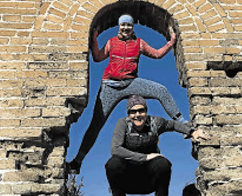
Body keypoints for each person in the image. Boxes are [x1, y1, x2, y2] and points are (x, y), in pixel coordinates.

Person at [67, 14, 189, 174]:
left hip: (131, 83)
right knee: (95, 125)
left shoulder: (139, 43)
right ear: (119, 27)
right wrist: (94, 39)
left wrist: (171, 42)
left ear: (132, 28)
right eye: (123, 25)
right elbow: (97, 58)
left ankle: (182, 121)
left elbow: (157, 54)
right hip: (110, 86)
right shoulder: (111, 42)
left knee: (161, 90)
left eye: (129, 26)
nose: (125, 28)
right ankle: (77, 162)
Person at [105, 95, 210, 196]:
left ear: (146, 111)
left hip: (149, 180)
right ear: (128, 114)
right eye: (133, 112)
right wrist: (145, 157)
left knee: (163, 163)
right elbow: (115, 149)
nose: (137, 115)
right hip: (128, 180)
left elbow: (174, 125)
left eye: (141, 110)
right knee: (113, 164)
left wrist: (193, 132)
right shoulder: (123, 124)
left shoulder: (155, 123)